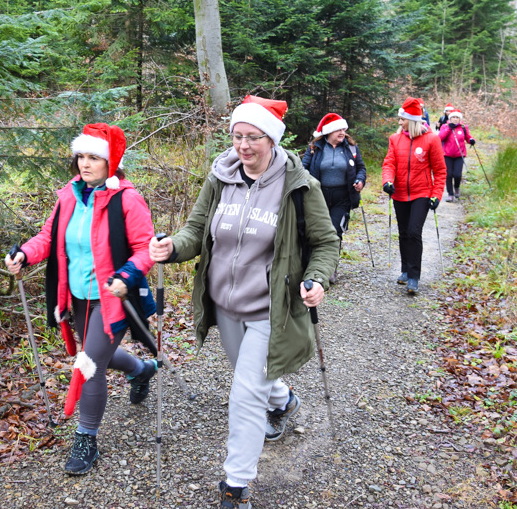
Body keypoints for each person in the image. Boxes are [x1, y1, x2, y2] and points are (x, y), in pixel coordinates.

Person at [149, 95, 339, 509]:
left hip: (270, 308)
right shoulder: (221, 178)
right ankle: (285, 401)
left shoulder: (299, 186)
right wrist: (172, 248)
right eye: (238, 136)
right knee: (252, 378)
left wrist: (316, 277)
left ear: (271, 139)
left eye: (253, 137)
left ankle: (236, 487)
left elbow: (325, 242)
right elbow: (196, 230)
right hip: (225, 306)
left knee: (244, 393)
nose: (244, 145)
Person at [5, 123, 158, 476]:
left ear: (111, 162)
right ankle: (141, 370)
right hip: (77, 297)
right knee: (91, 353)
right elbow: (48, 236)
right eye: (81, 157)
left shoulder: (126, 199)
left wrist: (125, 275)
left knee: (89, 366)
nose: (84, 164)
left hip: (114, 298)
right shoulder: (68, 195)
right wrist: (25, 255)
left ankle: (86, 437)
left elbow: (144, 248)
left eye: (94, 158)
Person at [382, 97, 446, 294]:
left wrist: (436, 195)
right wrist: (387, 181)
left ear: (413, 120)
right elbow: (389, 163)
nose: (399, 122)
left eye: (402, 119)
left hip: (422, 193)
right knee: (403, 232)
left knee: (413, 232)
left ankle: (414, 276)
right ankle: (404, 269)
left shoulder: (431, 139)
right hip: (400, 193)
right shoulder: (395, 138)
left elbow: (440, 170)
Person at [301, 113, 367, 283]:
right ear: (328, 131)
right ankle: (311, 267)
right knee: (315, 231)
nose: (342, 132)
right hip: (318, 197)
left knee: (335, 231)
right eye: (338, 129)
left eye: (343, 129)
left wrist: (360, 180)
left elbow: (361, 168)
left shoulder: (351, 148)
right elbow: (303, 168)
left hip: (342, 197)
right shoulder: (314, 148)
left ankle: (330, 269)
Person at [438, 109, 476, 201]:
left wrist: (471, 140)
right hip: (447, 154)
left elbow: (468, 137)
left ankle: (457, 188)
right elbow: (440, 138)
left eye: (457, 117)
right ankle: (450, 194)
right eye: (453, 117)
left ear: (460, 119)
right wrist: (448, 129)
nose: (455, 119)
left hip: (460, 155)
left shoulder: (463, 127)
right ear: (450, 118)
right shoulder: (445, 126)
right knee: (448, 175)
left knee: (457, 175)